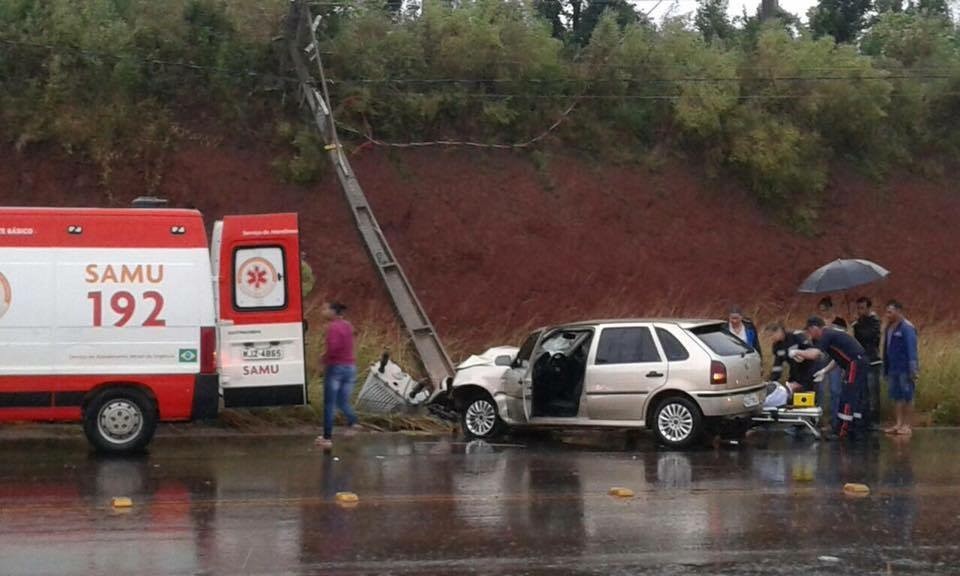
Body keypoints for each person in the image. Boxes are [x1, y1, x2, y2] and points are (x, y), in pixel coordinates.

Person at [793, 317, 870, 439]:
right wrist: (824, 371)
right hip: (857, 362)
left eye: (809, 331)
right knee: (854, 396)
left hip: (855, 363)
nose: (809, 335)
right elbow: (837, 358)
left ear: (815, 328)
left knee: (848, 396)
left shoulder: (826, 334)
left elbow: (814, 354)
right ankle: (856, 428)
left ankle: (843, 431)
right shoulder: (832, 335)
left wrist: (797, 352)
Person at [315, 302, 359, 448]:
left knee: (329, 404)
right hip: (350, 367)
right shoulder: (348, 325)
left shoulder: (333, 327)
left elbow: (333, 348)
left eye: (326, 309)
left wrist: (323, 360)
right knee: (342, 401)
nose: (323, 311)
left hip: (336, 368)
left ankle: (327, 438)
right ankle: (353, 422)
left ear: (333, 312)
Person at [883, 300, 919, 436]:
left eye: (890, 312)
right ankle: (898, 423)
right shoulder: (889, 328)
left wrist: (913, 368)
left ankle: (907, 425)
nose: (887, 315)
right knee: (896, 396)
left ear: (898, 311)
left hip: (905, 368)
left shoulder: (907, 327)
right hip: (893, 368)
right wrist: (886, 368)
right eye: (886, 312)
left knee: (908, 395)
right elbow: (886, 349)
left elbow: (912, 349)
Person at [853, 297, 883, 424]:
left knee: (872, 392)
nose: (860, 311)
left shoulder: (874, 321)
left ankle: (875, 420)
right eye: (858, 308)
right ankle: (865, 418)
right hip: (862, 359)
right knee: (863, 392)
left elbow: (869, 336)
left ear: (868, 308)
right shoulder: (859, 322)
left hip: (872, 359)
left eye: (862, 308)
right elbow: (858, 340)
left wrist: (857, 326)